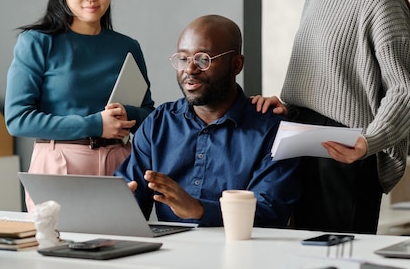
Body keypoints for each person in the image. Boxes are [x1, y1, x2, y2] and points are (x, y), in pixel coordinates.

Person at [252, 0, 410, 234]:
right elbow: (325, 80)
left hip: (346, 150)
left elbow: (403, 92)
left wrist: (367, 142)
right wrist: (286, 105)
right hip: (302, 142)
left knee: (340, 254)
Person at [4, 0, 155, 210]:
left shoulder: (127, 47)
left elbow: (149, 115)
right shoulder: (37, 42)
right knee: (60, 248)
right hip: (59, 165)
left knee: (128, 250)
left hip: (120, 164)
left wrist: (128, 115)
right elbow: (18, 119)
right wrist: (95, 124)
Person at [114, 14, 300, 227]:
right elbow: (131, 194)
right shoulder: (159, 123)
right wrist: (119, 203)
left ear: (236, 65)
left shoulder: (272, 130)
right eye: (183, 59)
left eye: (204, 59)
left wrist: (199, 209)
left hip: (243, 253)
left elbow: (270, 212)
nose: (190, 70)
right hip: (168, 253)